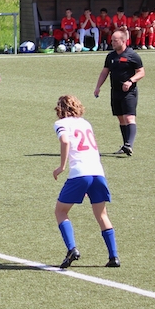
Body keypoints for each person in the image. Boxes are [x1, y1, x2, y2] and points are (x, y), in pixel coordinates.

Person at [52, 95, 120, 268]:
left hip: (80, 173)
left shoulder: (61, 124)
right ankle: (113, 256)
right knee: (102, 214)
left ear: (60, 109)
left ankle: (72, 249)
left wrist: (61, 166)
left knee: (60, 211)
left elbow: (65, 141)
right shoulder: (85, 123)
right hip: (98, 173)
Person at [93, 28, 145, 156]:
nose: (112, 43)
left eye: (115, 41)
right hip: (115, 92)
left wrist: (130, 81)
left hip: (129, 93)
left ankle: (129, 145)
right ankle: (126, 145)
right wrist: (98, 87)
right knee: (121, 119)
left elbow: (141, 72)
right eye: (112, 41)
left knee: (129, 117)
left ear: (123, 41)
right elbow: (105, 72)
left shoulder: (132, 55)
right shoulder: (111, 56)